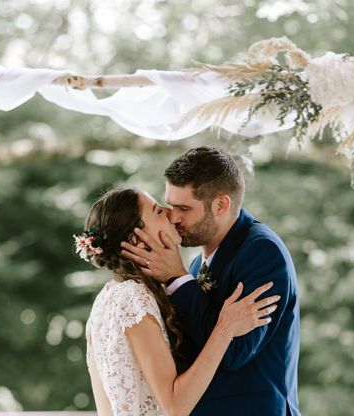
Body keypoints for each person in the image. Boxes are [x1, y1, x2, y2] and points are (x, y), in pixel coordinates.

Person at [121, 146, 300, 416]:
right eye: (170, 206)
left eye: (183, 208)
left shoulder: (262, 253)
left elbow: (234, 352)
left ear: (221, 205)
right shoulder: (196, 265)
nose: (173, 217)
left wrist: (177, 277)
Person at [79, 187, 279, 416]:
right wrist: (226, 327)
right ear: (136, 239)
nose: (170, 214)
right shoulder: (132, 300)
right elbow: (175, 406)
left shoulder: (108, 296)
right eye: (157, 211)